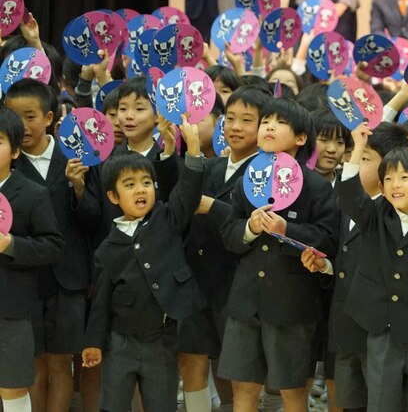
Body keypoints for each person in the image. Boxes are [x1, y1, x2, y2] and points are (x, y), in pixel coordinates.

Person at [81, 116, 212, 412]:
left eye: (146, 183)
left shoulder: (166, 218)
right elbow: (100, 302)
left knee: (162, 404)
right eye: (130, 184)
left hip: (161, 341)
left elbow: (187, 192)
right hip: (120, 343)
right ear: (113, 196)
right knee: (113, 404)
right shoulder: (106, 250)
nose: (141, 190)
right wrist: (94, 343)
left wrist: (191, 148)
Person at [218, 98, 338, 412]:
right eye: (266, 121)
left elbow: (328, 240)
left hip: (292, 306)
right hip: (246, 302)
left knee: (292, 391)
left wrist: (290, 230)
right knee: (242, 387)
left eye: (279, 122)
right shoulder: (247, 179)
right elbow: (229, 233)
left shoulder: (316, 187)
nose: (268, 126)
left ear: (300, 138)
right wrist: (250, 228)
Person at [333, 124, 408, 411]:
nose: (395, 185)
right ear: (380, 187)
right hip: (381, 327)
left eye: (404, 178)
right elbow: (348, 197)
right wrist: (358, 150)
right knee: (380, 402)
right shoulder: (375, 213)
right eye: (388, 179)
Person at [4, 80, 99, 412]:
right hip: (23, 278)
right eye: (13, 117)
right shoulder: (8, 165)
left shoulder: (75, 155)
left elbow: (93, 221)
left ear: (48, 118)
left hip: (69, 278)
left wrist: (79, 189)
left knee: (61, 364)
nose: (22, 126)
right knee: (31, 363)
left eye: (29, 116)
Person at [302, 122, 408, 410]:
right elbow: (343, 260)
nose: (349, 163)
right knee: (346, 400)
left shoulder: (392, 212)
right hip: (343, 321)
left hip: (377, 328)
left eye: (362, 158)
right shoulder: (341, 208)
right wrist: (325, 266)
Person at [178, 88, 271, 412]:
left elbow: (256, 225)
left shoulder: (268, 174)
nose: (234, 126)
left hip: (236, 284)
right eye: (230, 118)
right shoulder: (212, 167)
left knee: (234, 372)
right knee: (193, 363)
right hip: (196, 280)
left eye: (247, 120)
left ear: (265, 128)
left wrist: (212, 207)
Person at [0, 106, 64, 412]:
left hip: (12, 309)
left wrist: (12, 245)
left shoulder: (32, 193)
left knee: (12, 387)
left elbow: (53, 246)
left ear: (14, 151)